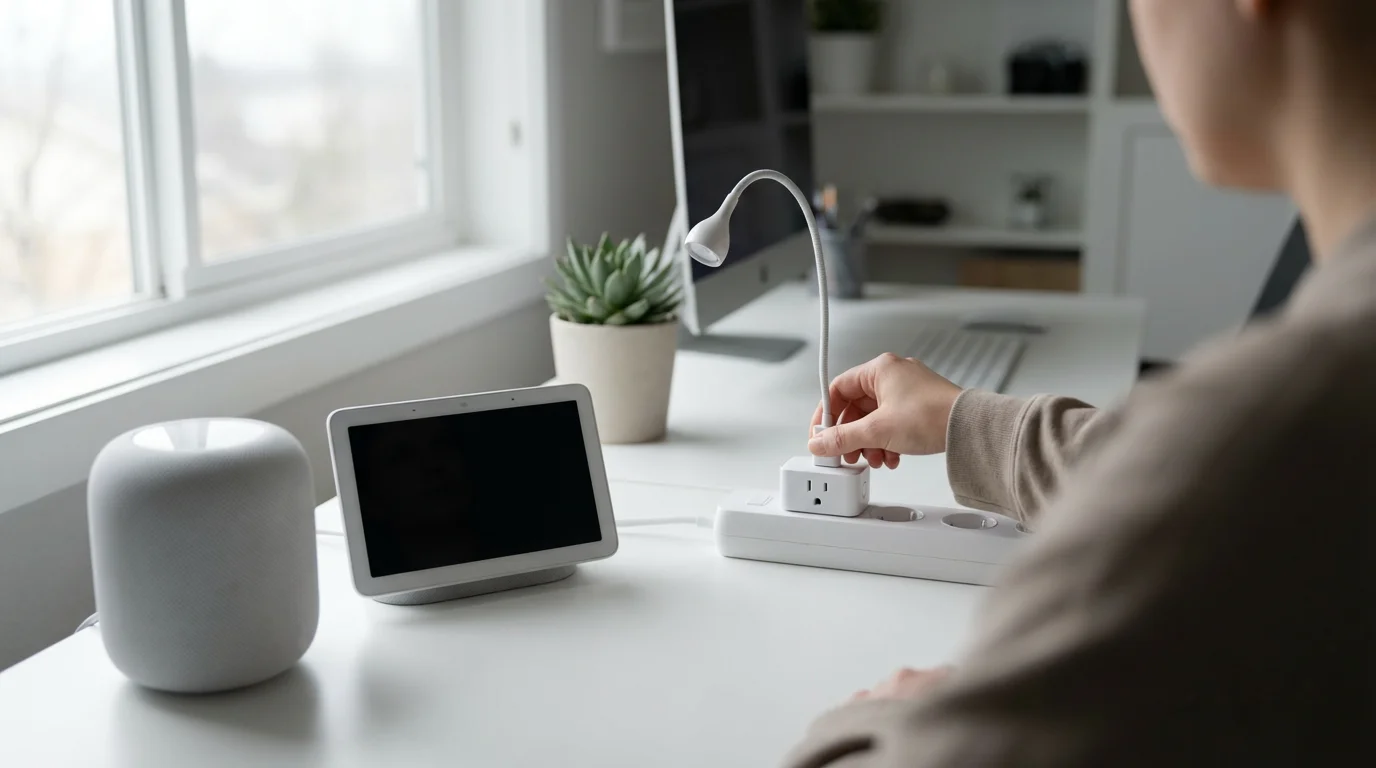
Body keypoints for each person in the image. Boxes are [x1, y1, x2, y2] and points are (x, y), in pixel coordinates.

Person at [785, 1, 1376, 765]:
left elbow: (1224, 471)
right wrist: (965, 420)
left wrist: (881, 721)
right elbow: (1201, 479)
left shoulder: (1278, 417)